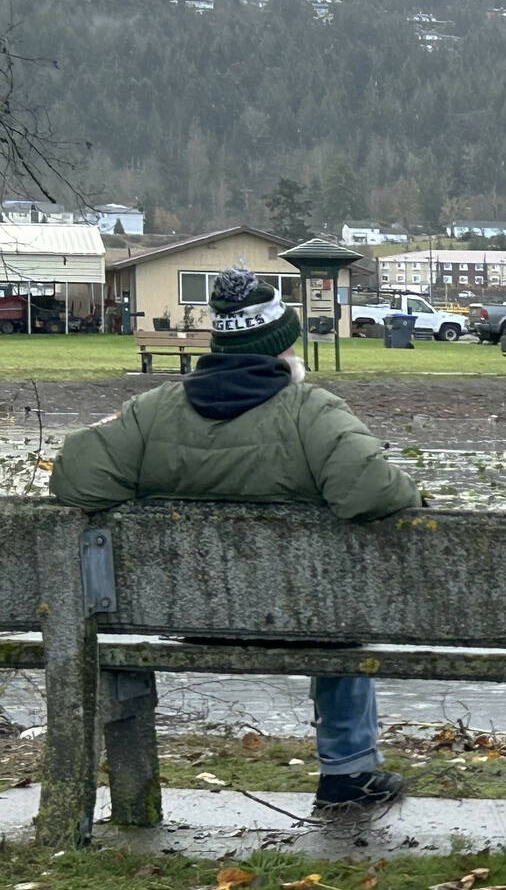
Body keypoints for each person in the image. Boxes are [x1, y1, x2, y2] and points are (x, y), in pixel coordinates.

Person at [50, 266, 420, 810]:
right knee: (344, 624)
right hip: (308, 622)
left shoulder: (154, 411)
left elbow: (75, 479)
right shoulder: (311, 412)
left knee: (336, 619)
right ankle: (347, 772)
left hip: (183, 619)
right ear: (283, 344)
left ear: (219, 342)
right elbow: (372, 494)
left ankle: (130, 794)